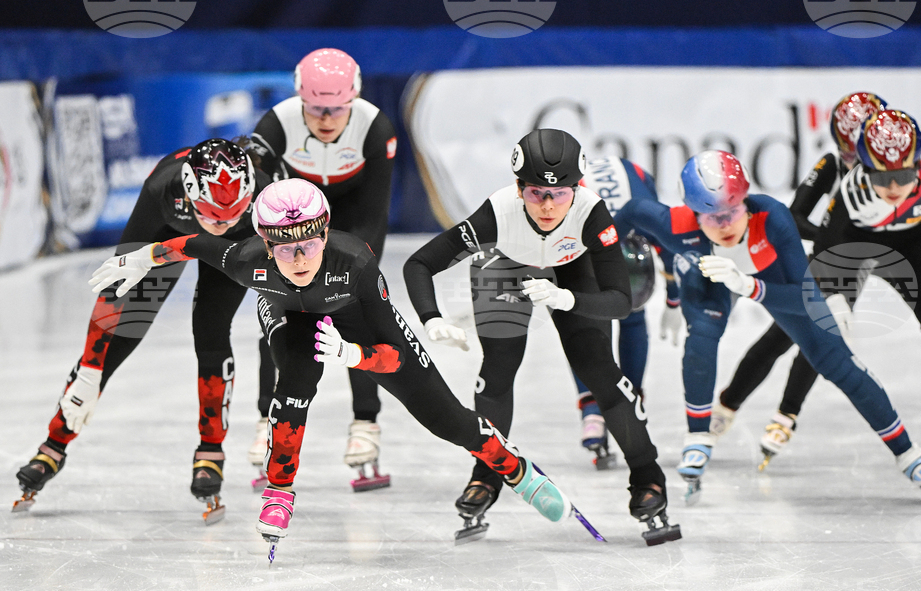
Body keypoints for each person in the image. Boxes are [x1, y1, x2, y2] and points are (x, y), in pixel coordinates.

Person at [89, 178, 581, 557]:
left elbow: (390, 355)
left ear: (325, 233)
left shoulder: (358, 263)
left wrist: (355, 357)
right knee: (296, 378)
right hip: (289, 315)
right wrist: (142, 259)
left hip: (362, 324)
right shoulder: (246, 260)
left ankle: (518, 470)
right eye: (284, 246)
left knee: (447, 419)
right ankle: (280, 491)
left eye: (308, 243)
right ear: (264, 241)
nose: (299, 257)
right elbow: (191, 243)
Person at [615, 149, 921, 505]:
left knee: (836, 360)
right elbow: (628, 214)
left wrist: (750, 286)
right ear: (693, 214)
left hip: (770, 277)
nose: (725, 225)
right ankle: (697, 438)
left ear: (746, 200)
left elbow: (806, 298)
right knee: (702, 335)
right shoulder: (674, 225)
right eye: (712, 218)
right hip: (707, 278)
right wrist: (601, 257)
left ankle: (909, 454)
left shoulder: (773, 218)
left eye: (732, 211)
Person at [403, 129, 679, 546]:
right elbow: (419, 263)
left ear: (577, 187)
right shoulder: (496, 212)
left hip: (573, 267)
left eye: (560, 194)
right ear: (518, 188)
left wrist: (567, 298)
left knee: (601, 373)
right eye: (535, 193)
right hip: (504, 265)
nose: (548, 205)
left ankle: (647, 476)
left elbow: (622, 302)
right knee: (497, 370)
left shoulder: (592, 214)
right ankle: (486, 476)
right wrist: (430, 317)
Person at [712, 96, 921, 475]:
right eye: (848, 156)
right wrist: (839, 251)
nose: (857, 167)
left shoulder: (905, 169)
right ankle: (743, 408)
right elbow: (799, 216)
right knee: (793, 331)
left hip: (906, 249)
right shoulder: (838, 171)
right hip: (847, 249)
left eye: (858, 157)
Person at [14, 139, 269, 523]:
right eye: (212, 214)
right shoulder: (162, 190)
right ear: (189, 192)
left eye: (233, 212)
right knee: (120, 337)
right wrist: (88, 372)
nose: (223, 222)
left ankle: (210, 451)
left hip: (232, 250)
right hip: (167, 235)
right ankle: (54, 443)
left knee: (211, 329)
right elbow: (116, 286)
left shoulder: (264, 197)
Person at [248, 48, 397, 488]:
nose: (327, 119)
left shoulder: (376, 127)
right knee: (276, 317)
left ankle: (365, 423)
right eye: (315, 109)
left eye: (336, 109)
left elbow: (374, 215)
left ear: (353, 99)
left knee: (358, 319)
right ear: (299, 100)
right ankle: (265, 419)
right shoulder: (275, 124)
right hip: (293, 220)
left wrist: (356, 270)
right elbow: (260, 207)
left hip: (351, 216)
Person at [570, 156, 680, 469]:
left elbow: (669, 249)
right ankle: (595, 407)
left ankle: (619, 403)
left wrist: (674, 298)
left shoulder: (648, 221)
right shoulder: (580, 219)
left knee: (625, 316)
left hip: (625, 223)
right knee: (586, 320)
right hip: (584, 242)